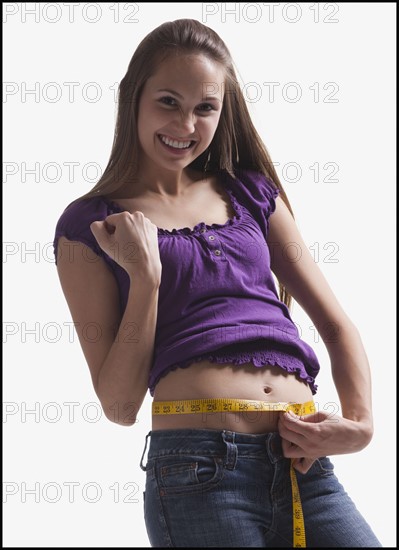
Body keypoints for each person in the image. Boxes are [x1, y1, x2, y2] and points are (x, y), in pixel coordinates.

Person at [53, 18, 382, 548]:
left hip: (304, 466)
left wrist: (361, 424)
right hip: (198, 474)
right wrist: (146, 278)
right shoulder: (92, 226)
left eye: (205, 107)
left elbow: (337, 324)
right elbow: (118, 405)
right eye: (168, 101)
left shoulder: (250, 192)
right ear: (133, 98)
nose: (186, 123)